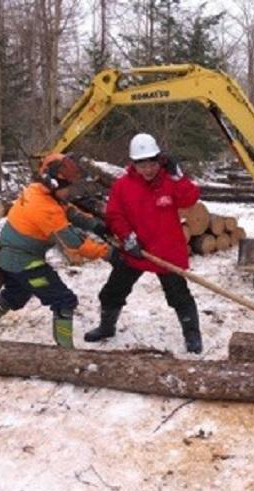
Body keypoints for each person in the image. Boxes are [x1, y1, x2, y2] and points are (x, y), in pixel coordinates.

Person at [0, 153, 115, 348]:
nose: (70, 192)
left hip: (9, 257)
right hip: (24, 263)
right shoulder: (45, 208)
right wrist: (108, 253)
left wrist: (96, 225)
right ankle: (65, 352)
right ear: (54, 184)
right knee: (64, 301)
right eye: (68, 188)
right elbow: (74, 243)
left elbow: (69, 210)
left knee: (14, 293)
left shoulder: (38, 190)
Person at [84, 133, 203, 353]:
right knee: (112, 291)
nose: (148, 169)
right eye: (142, 164)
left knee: (179, 296)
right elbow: (115, 215)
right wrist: (127, 238)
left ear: (159, 160)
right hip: (136, 251)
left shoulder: (170, 182)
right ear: (133, 164)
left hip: (167, 252)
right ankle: (106, 326)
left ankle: (192, 335)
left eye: (151, 163)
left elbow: (190, 198)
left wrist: (178, 178)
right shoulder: (122, 186)